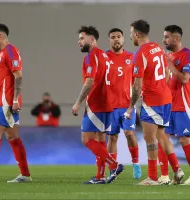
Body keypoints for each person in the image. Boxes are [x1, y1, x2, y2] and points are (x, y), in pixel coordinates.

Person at [125, 19, 184, 185]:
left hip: (152, 101)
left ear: (137, 34)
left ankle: (152, 177)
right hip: (165, 98)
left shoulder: (140, 54)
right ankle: (177, 170)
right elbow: (166, 72)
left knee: (150, 139)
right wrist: (160, 88)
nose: (131, 38)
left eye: (131, 34)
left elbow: (137, 86)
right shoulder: (158, 47)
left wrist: (130, 107)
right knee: (162, 135)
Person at [72, 25, 123, 184]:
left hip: (96, 103)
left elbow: (89, 81)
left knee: (87, 139)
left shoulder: (92, 55)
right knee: (100, 141)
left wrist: (78, 103)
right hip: (108, 103)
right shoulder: (104, 55)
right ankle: (100, 176)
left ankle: (114, 165)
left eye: (82, 38)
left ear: (92, 39)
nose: (79, 42)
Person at [0, 23, 31, 183]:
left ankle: (25, 174)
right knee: (13, 136)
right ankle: (25, 174)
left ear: (0, 36)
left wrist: (15, 99)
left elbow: (18, 76)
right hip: (5, 101)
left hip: (6, 102)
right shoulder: (0, 54)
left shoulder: (10, 51)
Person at [103, 28, 141, 179]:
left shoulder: (132, 57)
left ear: (124, 39)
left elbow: (137, 80)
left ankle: (136, 163)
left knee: (129, 134)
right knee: (112, 137)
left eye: (119, 37)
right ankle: (113, 167)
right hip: (109, 106)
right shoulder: (104, 58)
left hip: (127, 105)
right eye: (113, 37)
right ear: (109, 40)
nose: (116, 39)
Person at [157, 25, 190, 185]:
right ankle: (165, 176)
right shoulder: (168, 56)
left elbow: (184, 79)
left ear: (176, 38)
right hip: (168, 104)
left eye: (167, 37)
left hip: (183, 104)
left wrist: (170, 64)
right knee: (162, 138)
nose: (164, 40)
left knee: (184, 139)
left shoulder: (187, 55)